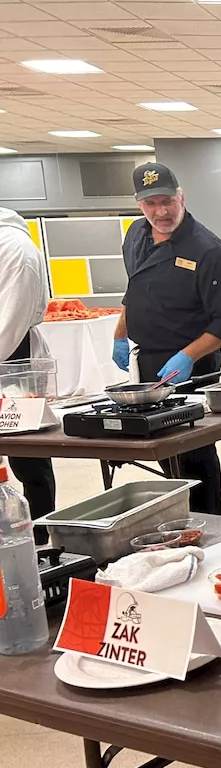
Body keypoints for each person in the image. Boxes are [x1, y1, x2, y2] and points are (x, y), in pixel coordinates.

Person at [114, 163, 221, 515]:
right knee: (162, 445)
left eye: (167, 201)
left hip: (194, 362)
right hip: (150, 360)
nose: (161, 211)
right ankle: (178, 514)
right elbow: (133, 290)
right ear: (140, 205)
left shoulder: (207, 250)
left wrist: (187, 356)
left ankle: (210, 513)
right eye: (151, 203)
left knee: (193, 447)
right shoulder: (136, 236)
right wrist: (120, 334)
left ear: (181, 197)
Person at [0, 206, 56, 542]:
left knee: (28, 457)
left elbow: (12, 321)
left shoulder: (14, 247)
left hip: (14, 361)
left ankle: (39, 538)